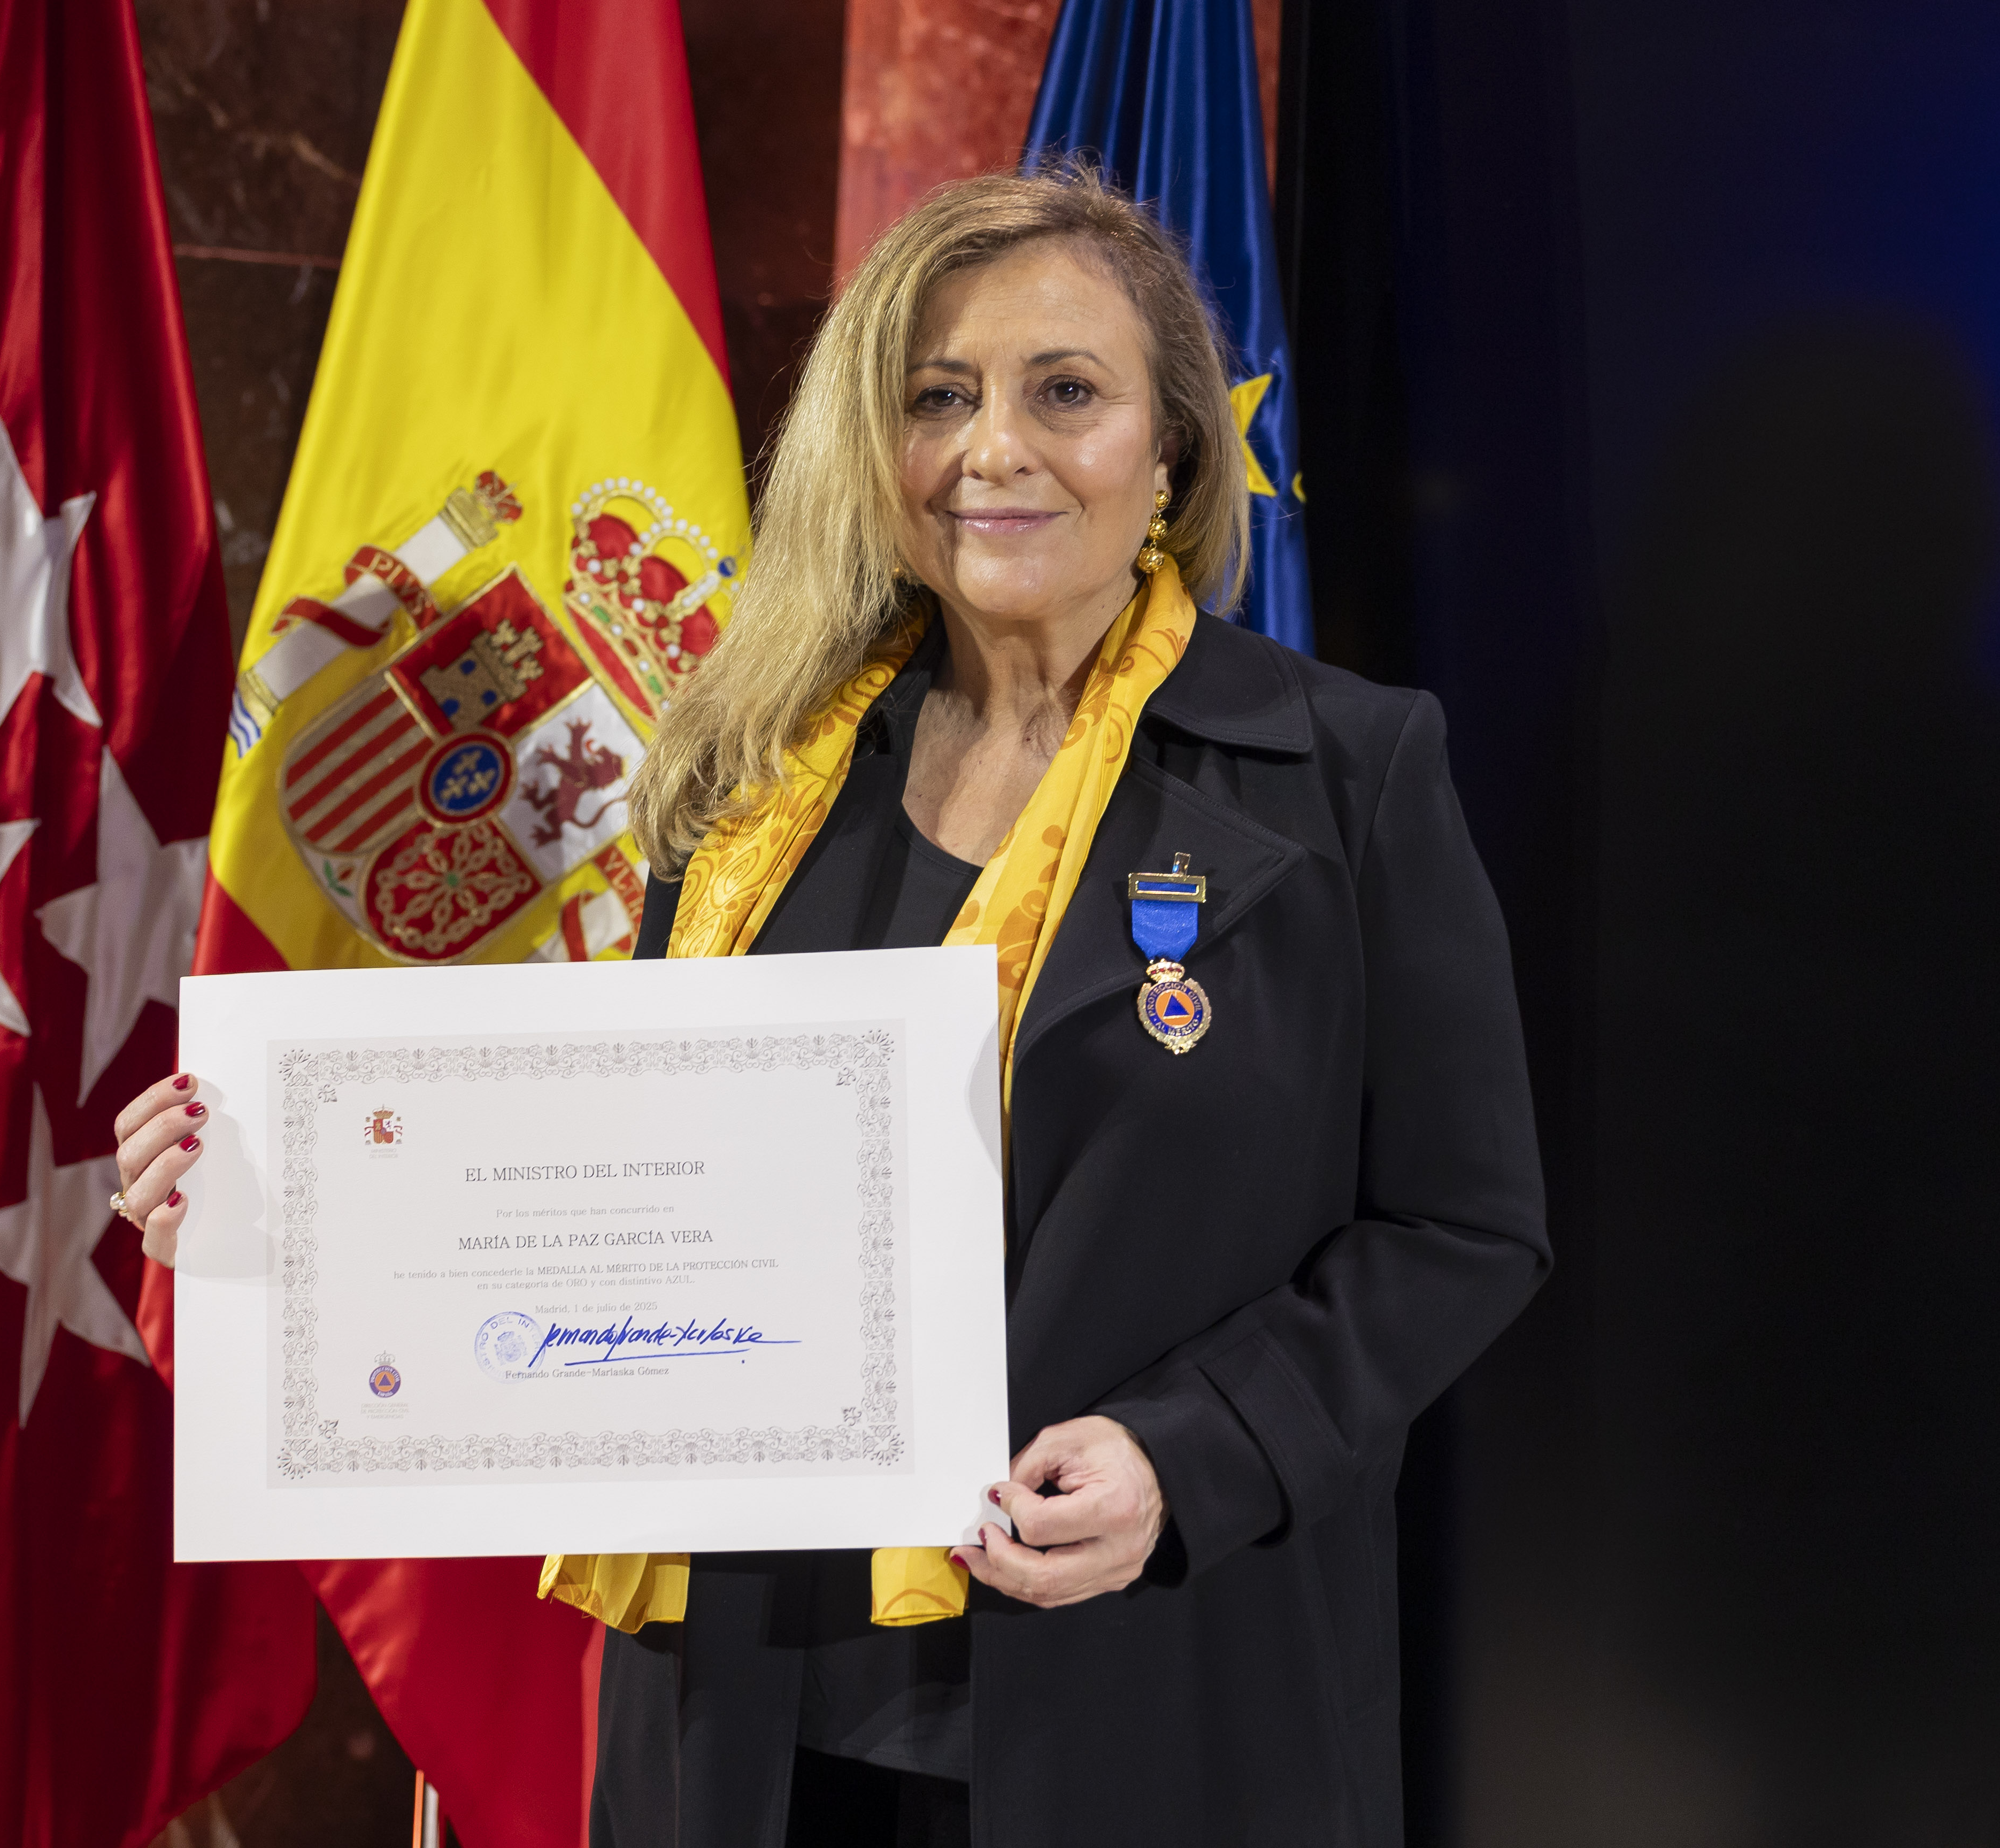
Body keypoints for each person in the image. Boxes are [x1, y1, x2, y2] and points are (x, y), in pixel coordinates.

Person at [113, 167, 1547, 1847]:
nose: (993, 449)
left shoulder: (1347, 775)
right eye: (937, 397)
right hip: (749, 1713)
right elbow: (608, 1202)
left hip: (1156, 1690)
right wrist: (285, 1204)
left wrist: (1196, 1454)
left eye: (1065, 393)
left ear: (1169, 451)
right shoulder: (749, 781)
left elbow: (1465, 1227)